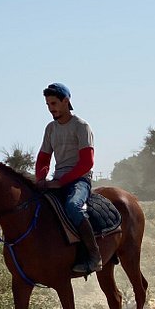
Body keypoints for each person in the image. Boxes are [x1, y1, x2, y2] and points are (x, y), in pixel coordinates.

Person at [34, 82, 103, 274]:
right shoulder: (50, 129)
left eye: (54, 103)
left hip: (79, 180)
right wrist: (40, 179)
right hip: (57, 179)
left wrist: (60, 182)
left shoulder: (81, 126)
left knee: (73, 206)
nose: (51, 108)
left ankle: (94, 255)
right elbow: (43, 158)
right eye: (48, 105)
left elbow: (86, 163)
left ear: (66, 101)